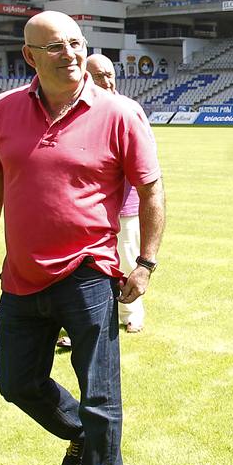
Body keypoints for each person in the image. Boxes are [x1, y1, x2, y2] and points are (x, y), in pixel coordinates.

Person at [0, 11, 163, 465]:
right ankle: (82, 436)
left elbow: (149, 190)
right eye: (55, 47)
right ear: (29, 56)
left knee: (100, 390)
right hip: (21, 276)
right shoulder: (1, 112)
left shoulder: (119, 112)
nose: (70, 54)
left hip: (88, 273)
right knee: (16, 382)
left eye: (76, 43)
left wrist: (144, 263)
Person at [87, 52, 146, 333]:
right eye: (98, 75)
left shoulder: (128, 109)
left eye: (109, 74)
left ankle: (131, 314)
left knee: (127, 259)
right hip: (90, 207)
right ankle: (91, 321)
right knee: (92, 266)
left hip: (124, 204)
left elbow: (146, 163)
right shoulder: (78, 111)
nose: (106, 81)